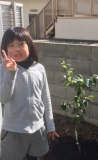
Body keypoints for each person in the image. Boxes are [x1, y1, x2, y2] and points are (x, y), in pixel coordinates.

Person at [0, 27, 59, 160]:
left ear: (30, 45)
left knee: (35, 158)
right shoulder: (3, 70)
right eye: (11, 45)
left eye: (21, 44)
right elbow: (3, 99)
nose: (17, 49)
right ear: (5, 49)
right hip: (14, 131)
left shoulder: (39, 69)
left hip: (38, 129)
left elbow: (46, 97)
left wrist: (50, 125)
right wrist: (10, 73)